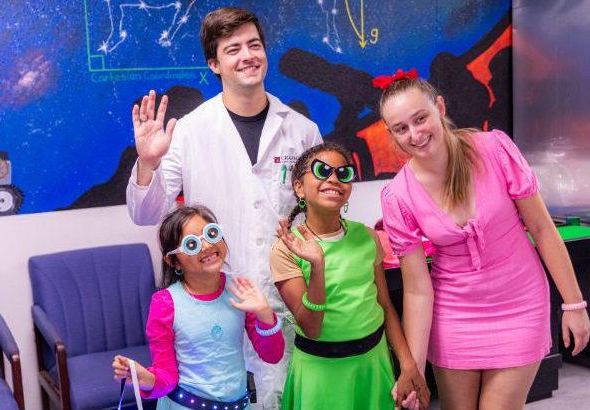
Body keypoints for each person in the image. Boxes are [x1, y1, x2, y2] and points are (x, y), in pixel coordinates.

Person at [125, 7, 322, 408]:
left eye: (254, 45)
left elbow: (319, 216)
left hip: (285, 300)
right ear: (214, 63)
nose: (248, 55)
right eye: (233, 49)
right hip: (218, 306)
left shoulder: (301, 130)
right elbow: (146, 214)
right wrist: (147, 163)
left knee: (287, 397)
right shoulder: (190, 130)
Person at [377, 70, 590, 410]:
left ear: (440, 108)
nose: (415, 134)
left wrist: (574, 304)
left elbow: (541, 227)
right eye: (401, 128)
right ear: (391, 134)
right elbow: (417, 289)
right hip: (454, 314)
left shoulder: (494, 149)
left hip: (520, 304)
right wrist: (414, 370)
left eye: (420, 119)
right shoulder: (398, 196)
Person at [269, 142, 430, 410]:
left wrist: (407, 365)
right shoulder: (286, 249)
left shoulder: (367, 236)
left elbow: (385, 306)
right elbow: (312, 328)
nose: (334, 178)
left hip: (373, 365)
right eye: (322, 171)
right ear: (299, 187)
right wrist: (317, 266)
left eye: (343, 173)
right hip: (321, 376)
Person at [112, 205, 285, 410]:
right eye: (192, 244)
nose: (207, 246)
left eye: (211, 234)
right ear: (174, 261)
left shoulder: (240, 289)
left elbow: (273, 355)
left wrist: (265, 315)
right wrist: (145, 378)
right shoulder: (165, 303)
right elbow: (166, 380)